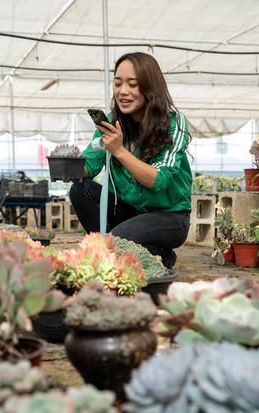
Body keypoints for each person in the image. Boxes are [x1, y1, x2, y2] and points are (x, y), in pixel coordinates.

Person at [69, 52, 192, 269]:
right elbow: (90, 165)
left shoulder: (174, 123)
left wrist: (119, 151)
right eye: (118, 83)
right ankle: (147, 252)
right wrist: (68, 166)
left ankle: (155, 253)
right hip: (131, 212)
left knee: (116, 240)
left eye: (132, 84)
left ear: (150, 88)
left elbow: (159, 180)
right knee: (81, 190)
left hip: (170, 217)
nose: (123, 91)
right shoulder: (112, 123)